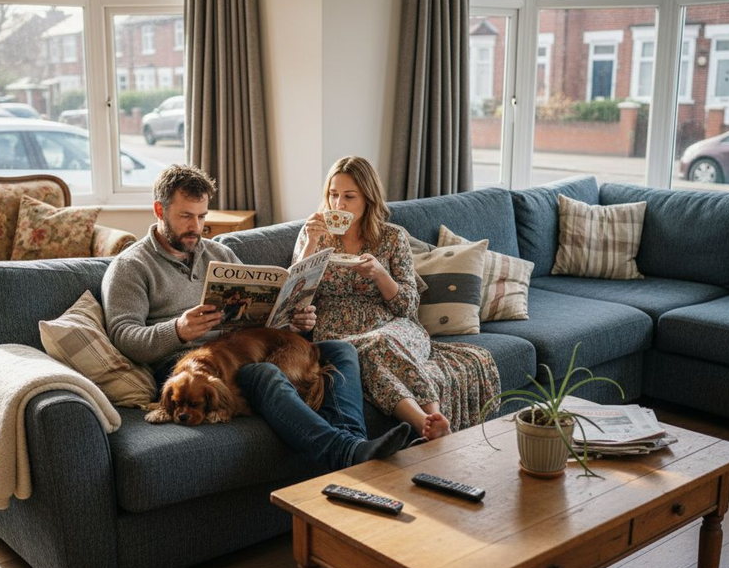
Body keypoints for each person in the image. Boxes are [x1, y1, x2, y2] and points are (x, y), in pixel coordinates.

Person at [102, 164, 411, 469]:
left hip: (241, 348)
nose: (196, 227)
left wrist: (291, 318)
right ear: (159, 209)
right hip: (187, 368)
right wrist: (178, 329)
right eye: (185, 216)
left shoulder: (218, 254)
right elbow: (124, 336)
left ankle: (352, 441)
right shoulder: (131, 266)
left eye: (201, 216)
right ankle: (346, 452)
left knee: (342, 351)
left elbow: (261, 310)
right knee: (265, 374)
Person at [294, 156, 501, 440]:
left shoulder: (392, 238)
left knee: (381, 341)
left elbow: (408, 306)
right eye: (333, 195)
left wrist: (381, 274)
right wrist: (310, 244)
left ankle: (431, 417)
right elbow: (296, 297)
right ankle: (427, 420)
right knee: (366, 350)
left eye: (349, 196)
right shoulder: (313, 235)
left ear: (368, 198)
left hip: (395, 326)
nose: (338, 205)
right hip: (338, 333)